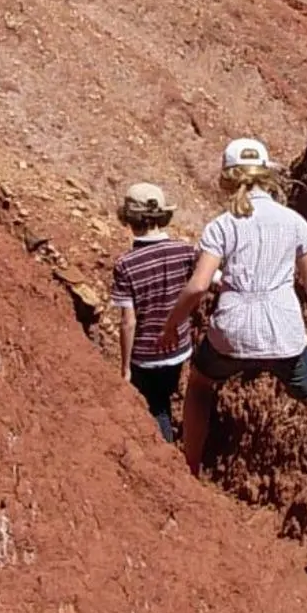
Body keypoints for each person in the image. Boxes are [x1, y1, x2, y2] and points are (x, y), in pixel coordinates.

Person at [156, 137, 307, 524]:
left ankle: (190, 472)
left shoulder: (222, 225)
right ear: (268, 175)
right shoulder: (294, 222)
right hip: (285, 334)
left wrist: (171, 325)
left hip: (232, 333)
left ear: (229, 179)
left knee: (200, 384)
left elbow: (198, 286)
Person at [110, 181, 199, 445]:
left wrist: (125, 367)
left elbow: (128, 322)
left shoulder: (126, 265)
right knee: (164, 400)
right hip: (179, 349)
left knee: (154, 408)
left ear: (129, 219)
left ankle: (165, 454)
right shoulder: (185, 251)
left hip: (145, 357)